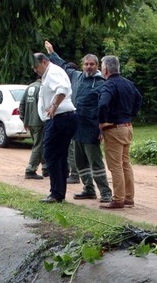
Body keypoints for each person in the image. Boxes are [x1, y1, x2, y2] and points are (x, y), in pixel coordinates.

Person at [45, 41, 113, 203]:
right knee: (80, 162)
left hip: (92, 129)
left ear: (97, 66)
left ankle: (105, 192)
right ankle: (88, 189)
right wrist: (51, 53)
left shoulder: (102, 83)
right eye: (86, 64)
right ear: (82, 65)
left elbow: (105, 107)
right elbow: (62, 65)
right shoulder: (76, 77)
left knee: (95, 162)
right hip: (75, 127)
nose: (88, 67)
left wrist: (102, 128)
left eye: (92, 64)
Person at [98, 56, 142, 210]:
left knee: (115, 165)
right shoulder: (128, 83)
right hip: (127, 127)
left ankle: (118, 199)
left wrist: (102, 121)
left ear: (105, 69)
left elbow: (103, 104)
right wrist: (130, 115)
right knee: (125, 163)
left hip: (114, 128)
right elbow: (139, 99)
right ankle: (129, 198)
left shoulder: (108, 85)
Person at [33, 52, 78, 203]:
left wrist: (54, 106)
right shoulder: (50, 73)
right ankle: (58, 192)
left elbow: (63, 88)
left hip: (60, 117)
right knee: (59, 155)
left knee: (51, 154)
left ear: (44, 62)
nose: (35, 70)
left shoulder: (52, 72)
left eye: (36, 66)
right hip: (62, 117)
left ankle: (56, 193)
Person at [19, 74, 48, 180]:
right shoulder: (43, 87)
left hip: (30, 122)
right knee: (39, 146)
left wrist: (24, 120)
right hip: (40, 121)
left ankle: (46, 168)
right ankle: (30, 170)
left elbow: (22, 105)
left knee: (41, 145)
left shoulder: (30, 86)